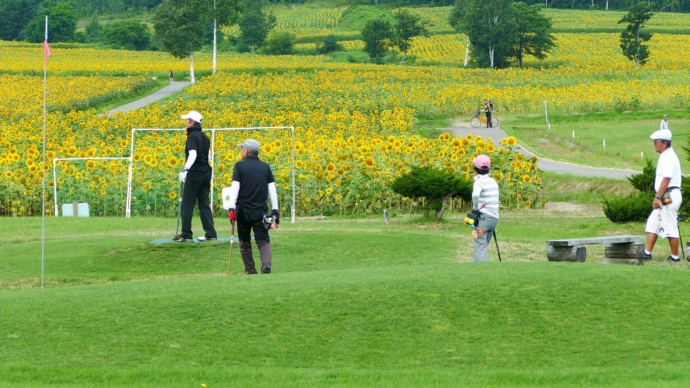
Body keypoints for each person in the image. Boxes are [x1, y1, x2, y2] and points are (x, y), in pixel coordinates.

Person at [225, 139, 280, 274]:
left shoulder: (239, 166)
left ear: (246, 150)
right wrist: (275, 210)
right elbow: (272, 190)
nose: (240, 151)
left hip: (243, 210)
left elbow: (235, 188)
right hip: (261, 211)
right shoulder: (265, 167)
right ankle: (266, 265)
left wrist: (231, 208)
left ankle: (250, 270)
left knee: (244, 241)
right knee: (263, 240)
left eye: (241, 148)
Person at [172, 111, 217, 243]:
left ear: (192, 122)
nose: (185, 123)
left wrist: (185, 169)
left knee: (187, 203)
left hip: (195, 173)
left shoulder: (192, 137)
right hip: (205, 173)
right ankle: (211, 233)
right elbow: (208, 156)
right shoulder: (205, 137)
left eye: (187, 120)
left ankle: (186, 234)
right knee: (204, 204)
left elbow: (193, 155)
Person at [643, 129, 683, 262]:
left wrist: (657, 197)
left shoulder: (669, 158)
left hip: (668, 194)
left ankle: (674, 256)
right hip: (666, 194)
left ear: (664, 143)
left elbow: (666, 179)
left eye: (656, 142)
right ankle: (647, 253)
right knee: (653, 222)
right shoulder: (665, 156)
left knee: (669, 224)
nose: (654, 144)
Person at [470, 154, 499, 262]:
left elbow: (475, 195)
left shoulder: (479, 182)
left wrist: (475, 208)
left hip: (483, 220)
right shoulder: (493, 182)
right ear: (489, 168)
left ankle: (485, 272)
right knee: (481, 247)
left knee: (480, 247)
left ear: (475, 167)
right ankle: (474, 272)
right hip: (493, 220)